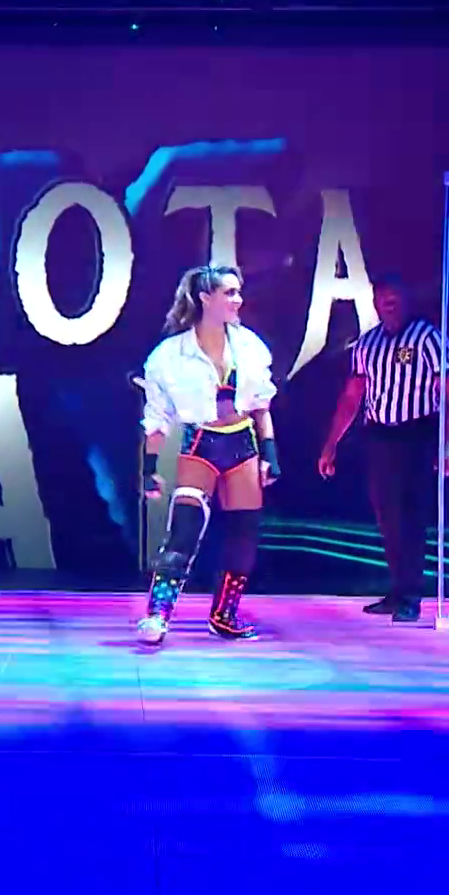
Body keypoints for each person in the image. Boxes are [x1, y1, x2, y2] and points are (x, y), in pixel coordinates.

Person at [138, 265, 281, 646]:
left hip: (242, 443)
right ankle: (157, 614)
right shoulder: (170, 355)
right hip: (200, 443)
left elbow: (261, 405)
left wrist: (269, 452)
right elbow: (157, 418)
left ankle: (224, 615)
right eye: (229, 293)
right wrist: (149, 469)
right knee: (183, 531)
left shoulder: (249, 346)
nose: (238, 300)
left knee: (244, 534)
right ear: (205, 298)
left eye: (238, 292)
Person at [317, 275, 449, 622]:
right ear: (375, 304)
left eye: (394, 300)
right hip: (379, 436)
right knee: (388, 517)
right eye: (383, 301)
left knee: (412, 516)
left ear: (406, 301)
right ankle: (398, 590)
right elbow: (352, 397)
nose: (389, 306)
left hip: (417, 434)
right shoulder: (367, 344)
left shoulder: (428, 338)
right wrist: (331, 445)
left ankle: (411, 595)